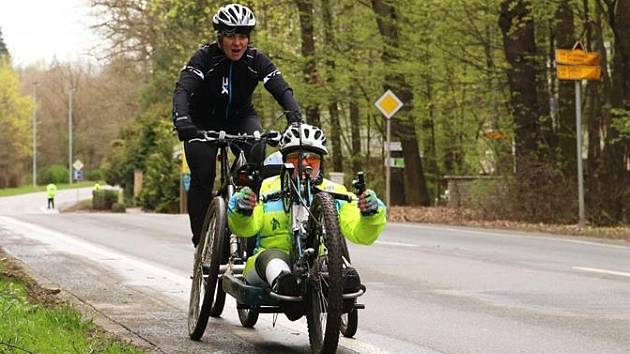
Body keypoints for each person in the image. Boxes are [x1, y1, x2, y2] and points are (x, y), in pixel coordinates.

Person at [172, 3, 303, 247]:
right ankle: (202, 240)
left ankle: (244, 219)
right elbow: (183, 89)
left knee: (255, 158)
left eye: (243, 36)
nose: (237, 43)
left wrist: (294, 118)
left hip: (240, 117)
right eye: (231, 35)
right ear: (220, 36)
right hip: (201, 122)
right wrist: (181, 119)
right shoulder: (205, 57)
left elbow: (281, 88)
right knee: (203, 173)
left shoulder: (256, 60)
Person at [227, 123, 387, 320]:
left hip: (317, 263)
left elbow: (360, 233)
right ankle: (285, 285)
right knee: (274, 260)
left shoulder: (334, 191)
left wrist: (371, 213)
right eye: (296, 158)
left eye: (312, 159)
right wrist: (242, 210)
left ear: (321, 163)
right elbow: (246, 229)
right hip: (269, 260)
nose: (305, 164)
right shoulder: (266, 188)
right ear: (284, 161)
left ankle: (344, 282)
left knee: (332, 265)